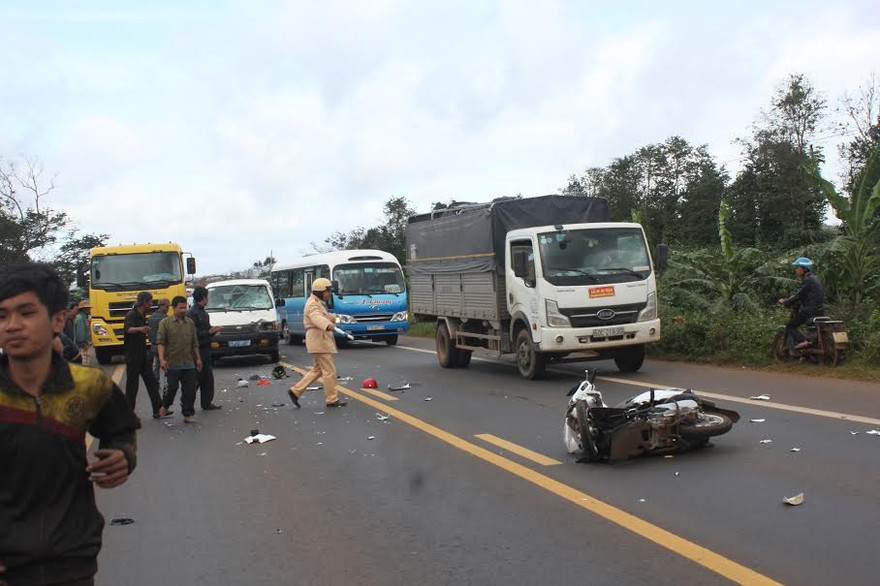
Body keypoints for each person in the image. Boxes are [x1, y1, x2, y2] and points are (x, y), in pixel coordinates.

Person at [0, 263, 140, 586]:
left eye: (26, 313)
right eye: (2, 315)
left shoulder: (89, 386)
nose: (12, 325)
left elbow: (121, 431)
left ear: (58, 320)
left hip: (72, 562)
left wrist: (122, 456)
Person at [288, 278, 347, 409]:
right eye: (328, 291)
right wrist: (328, 325)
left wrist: (336, 318)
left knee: (317, 370)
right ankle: (332, 399)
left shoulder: (317, 302)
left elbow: (323, 315)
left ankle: (295, 391)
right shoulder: (313, 304)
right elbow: (317, 318)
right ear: (320, 291)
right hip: (318, 340)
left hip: (318, 340)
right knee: (329, 371)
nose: (329, 294)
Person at [157, 296, 202, 424]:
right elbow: (161, 343)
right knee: (171, 388)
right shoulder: (165, 323)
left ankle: (187, 413)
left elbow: (194, 343)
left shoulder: (190, 323)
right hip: (172, 363)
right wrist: (161, 360)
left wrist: (198, 359)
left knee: (190, 390)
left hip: (188, 363)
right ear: (173, 308)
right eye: (180, 308)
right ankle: (165, 405)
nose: (183, 310)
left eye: (185, 307)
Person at [123, 292, 167, 419]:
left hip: (142, 353)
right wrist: (140, 329)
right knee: (132, 386)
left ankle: (158, 409)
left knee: (151, 381)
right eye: (150, 301)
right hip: (132, 355)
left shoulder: (143, 314)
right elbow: (127, 329)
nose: (151, 304)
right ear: (144, 302)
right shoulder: (132, 314)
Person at [778, 257, 825, 354]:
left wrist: (786, 301)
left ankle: (804, 341)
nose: (796, 270)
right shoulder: (815, 279)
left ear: (804, 269)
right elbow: (806, 295)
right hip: (820, 309)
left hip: (809, 310)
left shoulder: (808, 280)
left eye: (797, 267)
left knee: (790, 325)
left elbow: (799, 294)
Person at [187, 286, 222, 411]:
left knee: (208, 378)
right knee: (196, 379)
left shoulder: (204, 313)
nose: (208, 299)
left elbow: (207, 329)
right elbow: (194, 333)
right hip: (197, 350)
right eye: (207, 297)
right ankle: (187, 405)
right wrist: (209, 331)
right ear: (203, 298)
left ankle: (206, 403)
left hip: (206, 349)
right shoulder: (191, 313)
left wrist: (213, 330)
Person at [148, 297, 170, 393]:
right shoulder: (166, 319)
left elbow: (149, 333)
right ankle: (167, 383)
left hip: (153, 344)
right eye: (167, 306)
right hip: (164, 346)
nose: (168, 308)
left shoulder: (151, 317)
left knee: (155, 364)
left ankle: (155, 383)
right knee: (166, 364)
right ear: (163, 306)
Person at [73, 299, 92, 365]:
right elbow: (80, 333)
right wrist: (83, 343)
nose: (89, 310)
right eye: (88, 308)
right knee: (84, 363)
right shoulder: (80, 318)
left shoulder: (83, 317)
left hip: (84, 344)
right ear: (84, 309)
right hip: (83, 345)